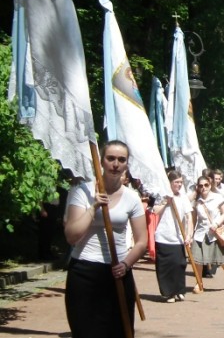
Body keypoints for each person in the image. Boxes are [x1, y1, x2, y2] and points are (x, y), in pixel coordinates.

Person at [64, 140, 146, 338]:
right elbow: (71, 236)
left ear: (127, 164)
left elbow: (142, 241)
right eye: (110, 158)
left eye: (121, 159)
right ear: (101, 161)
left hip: (117, 272)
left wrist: (126, 264)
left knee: (118, 331)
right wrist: (93, 208)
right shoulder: (82, 192)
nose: (115, 164)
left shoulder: (132, 198)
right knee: (86, 332)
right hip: (84, 271)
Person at [152, 170, 193, 302]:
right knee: (165, 265)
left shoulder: (183, 197)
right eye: (176, 182)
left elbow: (188, 217)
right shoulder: (164, 195)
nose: (179, 185)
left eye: (181, 182)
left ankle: (179, 290)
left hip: (178, 236)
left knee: (179, 264)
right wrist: (166, 202)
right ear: (170, 183)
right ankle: (168, 292)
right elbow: (155, 211)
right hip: (163, 236)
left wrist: (189, 234)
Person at [191, 175, 224, 292]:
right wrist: (190, 234)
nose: (203, 188)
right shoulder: (197, 201)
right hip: (200, 233)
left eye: (206, 185)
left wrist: (217, 223)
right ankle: (199, 282)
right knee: (197, 260)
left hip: (215, 233)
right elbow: (193, 219)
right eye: (201, 186)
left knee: (223, 260)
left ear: (210, 185)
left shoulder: (217, 197)